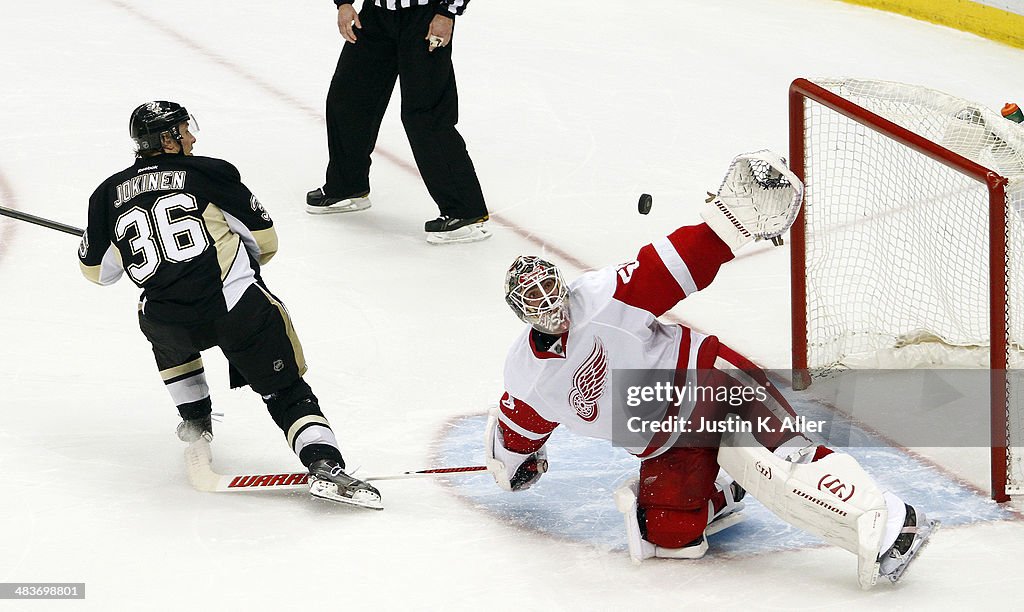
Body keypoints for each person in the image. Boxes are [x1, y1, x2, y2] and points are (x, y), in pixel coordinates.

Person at [486, 151, 937, 589]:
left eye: (551, 292)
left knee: (790, 459)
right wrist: (514, 464)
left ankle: (896, 524)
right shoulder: (527, 375)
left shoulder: (604, 294)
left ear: (563, 287)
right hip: (665, 441)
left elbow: (670, 264)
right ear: (520, 315)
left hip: (712, 382)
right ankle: (726, 487)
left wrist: (726, 226)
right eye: (536, 304)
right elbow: (519, 431)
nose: (551, 309)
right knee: (668, 537)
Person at [78, 101, 382, 510]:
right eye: (184, 131)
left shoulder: (106, 194)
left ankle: (194, 420)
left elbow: (98, 273)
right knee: (287, 391)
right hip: (239, 312)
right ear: (167, 140)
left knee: (156, 316)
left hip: (168, 322)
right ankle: (324, 463)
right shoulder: (209, 173)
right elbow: (266, 241)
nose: (192, 137)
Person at [306, 0, 491, 245]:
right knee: (350, 99)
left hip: (426, 18)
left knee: (425, 114)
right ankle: (348, 186)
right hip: (375, 16)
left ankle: (465, 211)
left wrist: (447, 12)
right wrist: (344, 3)